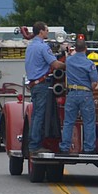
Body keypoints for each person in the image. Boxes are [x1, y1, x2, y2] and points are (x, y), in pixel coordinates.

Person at [24, 22, 65, 156]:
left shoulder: (30, 47)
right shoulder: (43, 47)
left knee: (36, 115)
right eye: (47, 30)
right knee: (39, 116)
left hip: (34, 84)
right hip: (42, 85)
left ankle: (33, 143)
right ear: (41, 32)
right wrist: (71, 63)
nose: (48, 32)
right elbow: (55, 64)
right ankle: (35, 145)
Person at [60, 37, 98, 154]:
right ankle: (89, 148)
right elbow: (95, 82)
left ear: (75, 48)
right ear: (86, 49)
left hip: (71, 93)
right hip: (85, 93)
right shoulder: (89, 63)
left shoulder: (69, 61)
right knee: (88, 121)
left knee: (68, 121)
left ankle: (65, 147)